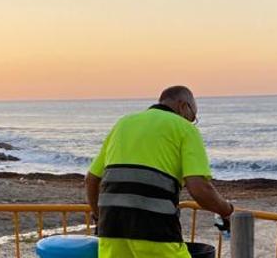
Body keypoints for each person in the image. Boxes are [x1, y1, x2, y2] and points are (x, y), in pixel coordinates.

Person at [85, 85, 234, 257]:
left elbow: (91, 179)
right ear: (183, 106)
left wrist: (99, 216)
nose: (192, 121)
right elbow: (199, 188)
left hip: (111, 229)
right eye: (193, 117)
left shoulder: (123, 123)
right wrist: (227, 211)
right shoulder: (185, 128)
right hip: (155, 230)